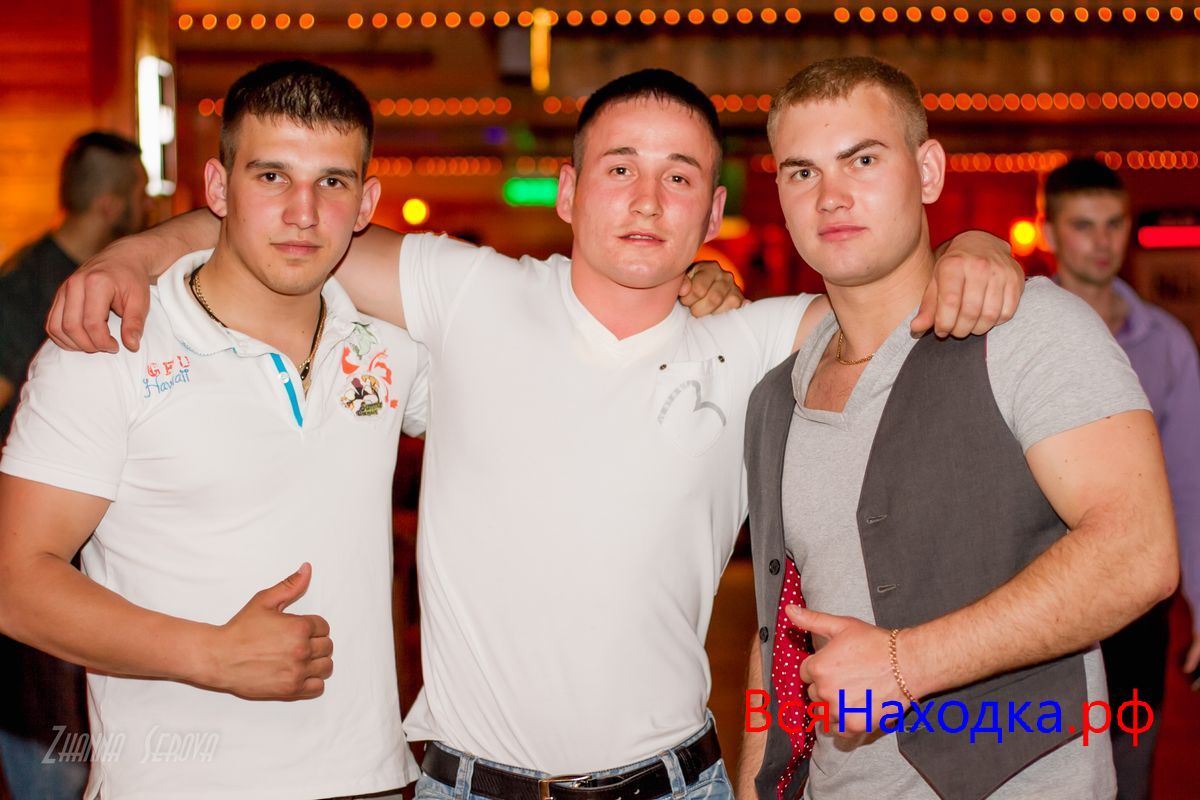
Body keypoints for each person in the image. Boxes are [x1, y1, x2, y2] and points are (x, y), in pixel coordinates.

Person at [47, 68, 1025, 800]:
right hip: (462, 783)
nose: (646, 200)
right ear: (567, 191)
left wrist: (973, 246)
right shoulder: (466, 292)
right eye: (619, 169)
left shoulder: (757, 342)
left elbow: (898, 299)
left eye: (679, 176)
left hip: (674, 783)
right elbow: (286, 225)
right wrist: (132, 254)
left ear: (716, 211)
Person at [740, 57, 1177, 800]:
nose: (831, 196)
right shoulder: (774, 398)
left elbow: (1140, 553)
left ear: (928, 172)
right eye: (802, 172)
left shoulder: (1030, 329)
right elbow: (777, 631)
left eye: (863, 160)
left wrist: (907, 664)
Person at [0, 60, 431, 799]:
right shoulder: (110, 347)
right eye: (272, 176)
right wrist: (210, 654)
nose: (303, 212)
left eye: (332, 181)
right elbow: (14, 583)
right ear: (219, 188)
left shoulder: (394, 348)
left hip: (372, 782)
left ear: (366, 203)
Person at [1040, 156, 1200, 800]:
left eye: (1113, 223)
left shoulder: (1165, 343)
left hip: (1136, 603)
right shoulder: (1014, 332)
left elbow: (1189, 485)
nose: (1102, 241)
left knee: (1130, 774)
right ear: (1050, 232)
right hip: (1037, 596)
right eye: (1083, 225)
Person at [0, 130, 146, 800]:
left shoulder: (123, 282)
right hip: (36, 552)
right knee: (52, 752)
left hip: (94, 552)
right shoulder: (23, 288)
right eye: (139, 192)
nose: (148, 206)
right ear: (111, 204)